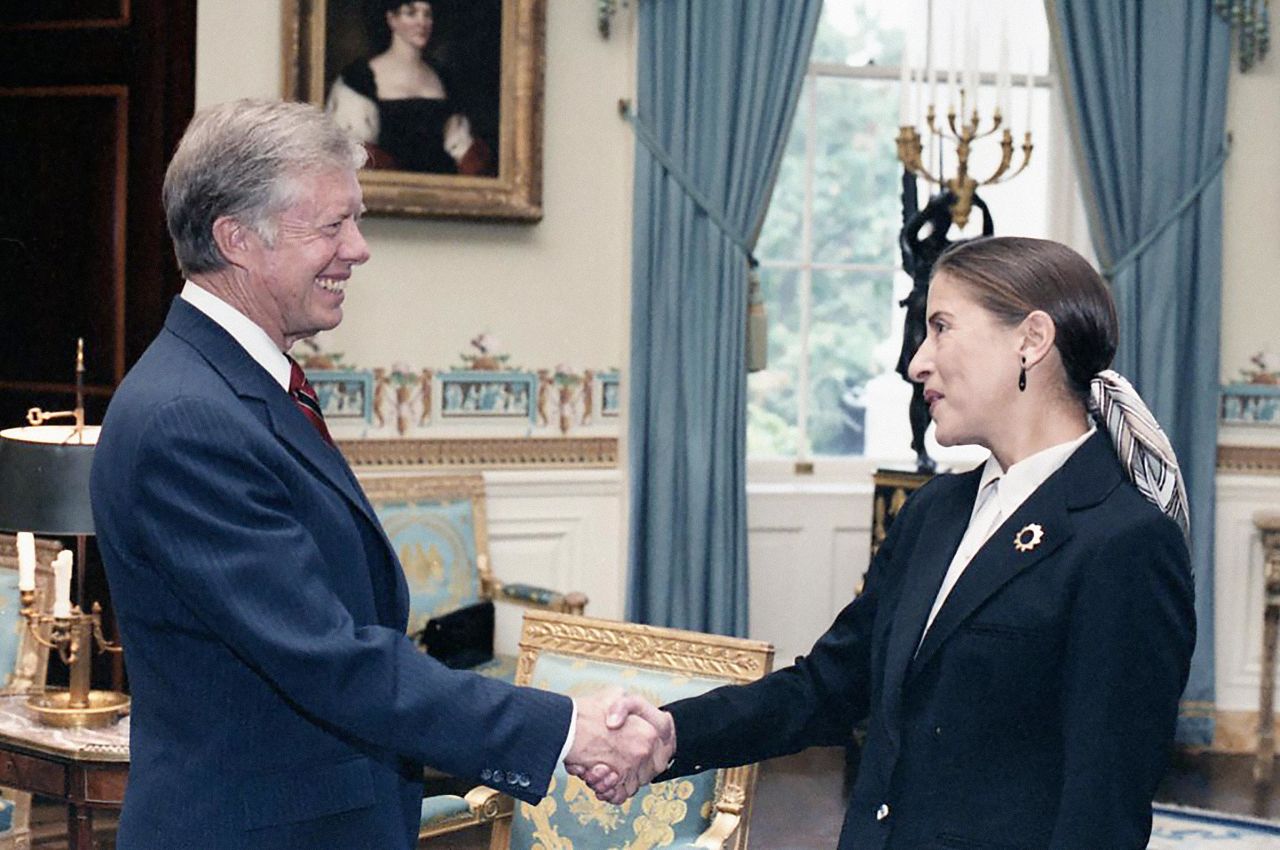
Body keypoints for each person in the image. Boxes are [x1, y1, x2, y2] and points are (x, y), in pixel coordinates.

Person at [89, 98, 666, 850]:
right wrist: (564, 727)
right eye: (332, 226)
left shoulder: (237, 386)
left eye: (355, 221)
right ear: (236, 239)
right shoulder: (188, 420)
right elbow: (329, 658)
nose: (358, 249)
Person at [588, 236, 1197, 849]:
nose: (917, 363)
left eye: (940, 328)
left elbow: (1102, 813)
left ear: (1031, 340)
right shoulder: (935, 510)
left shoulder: (1126, 543)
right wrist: (672, 733)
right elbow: (828, 687)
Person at [326, 0, 495, 175]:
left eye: (427, 14)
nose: (422, 22)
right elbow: (350, 153)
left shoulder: (444, 77)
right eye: (411, 13)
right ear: (392, 19)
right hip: (386, 193)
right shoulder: (359, 78)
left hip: (442, 191)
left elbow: (461, 147)